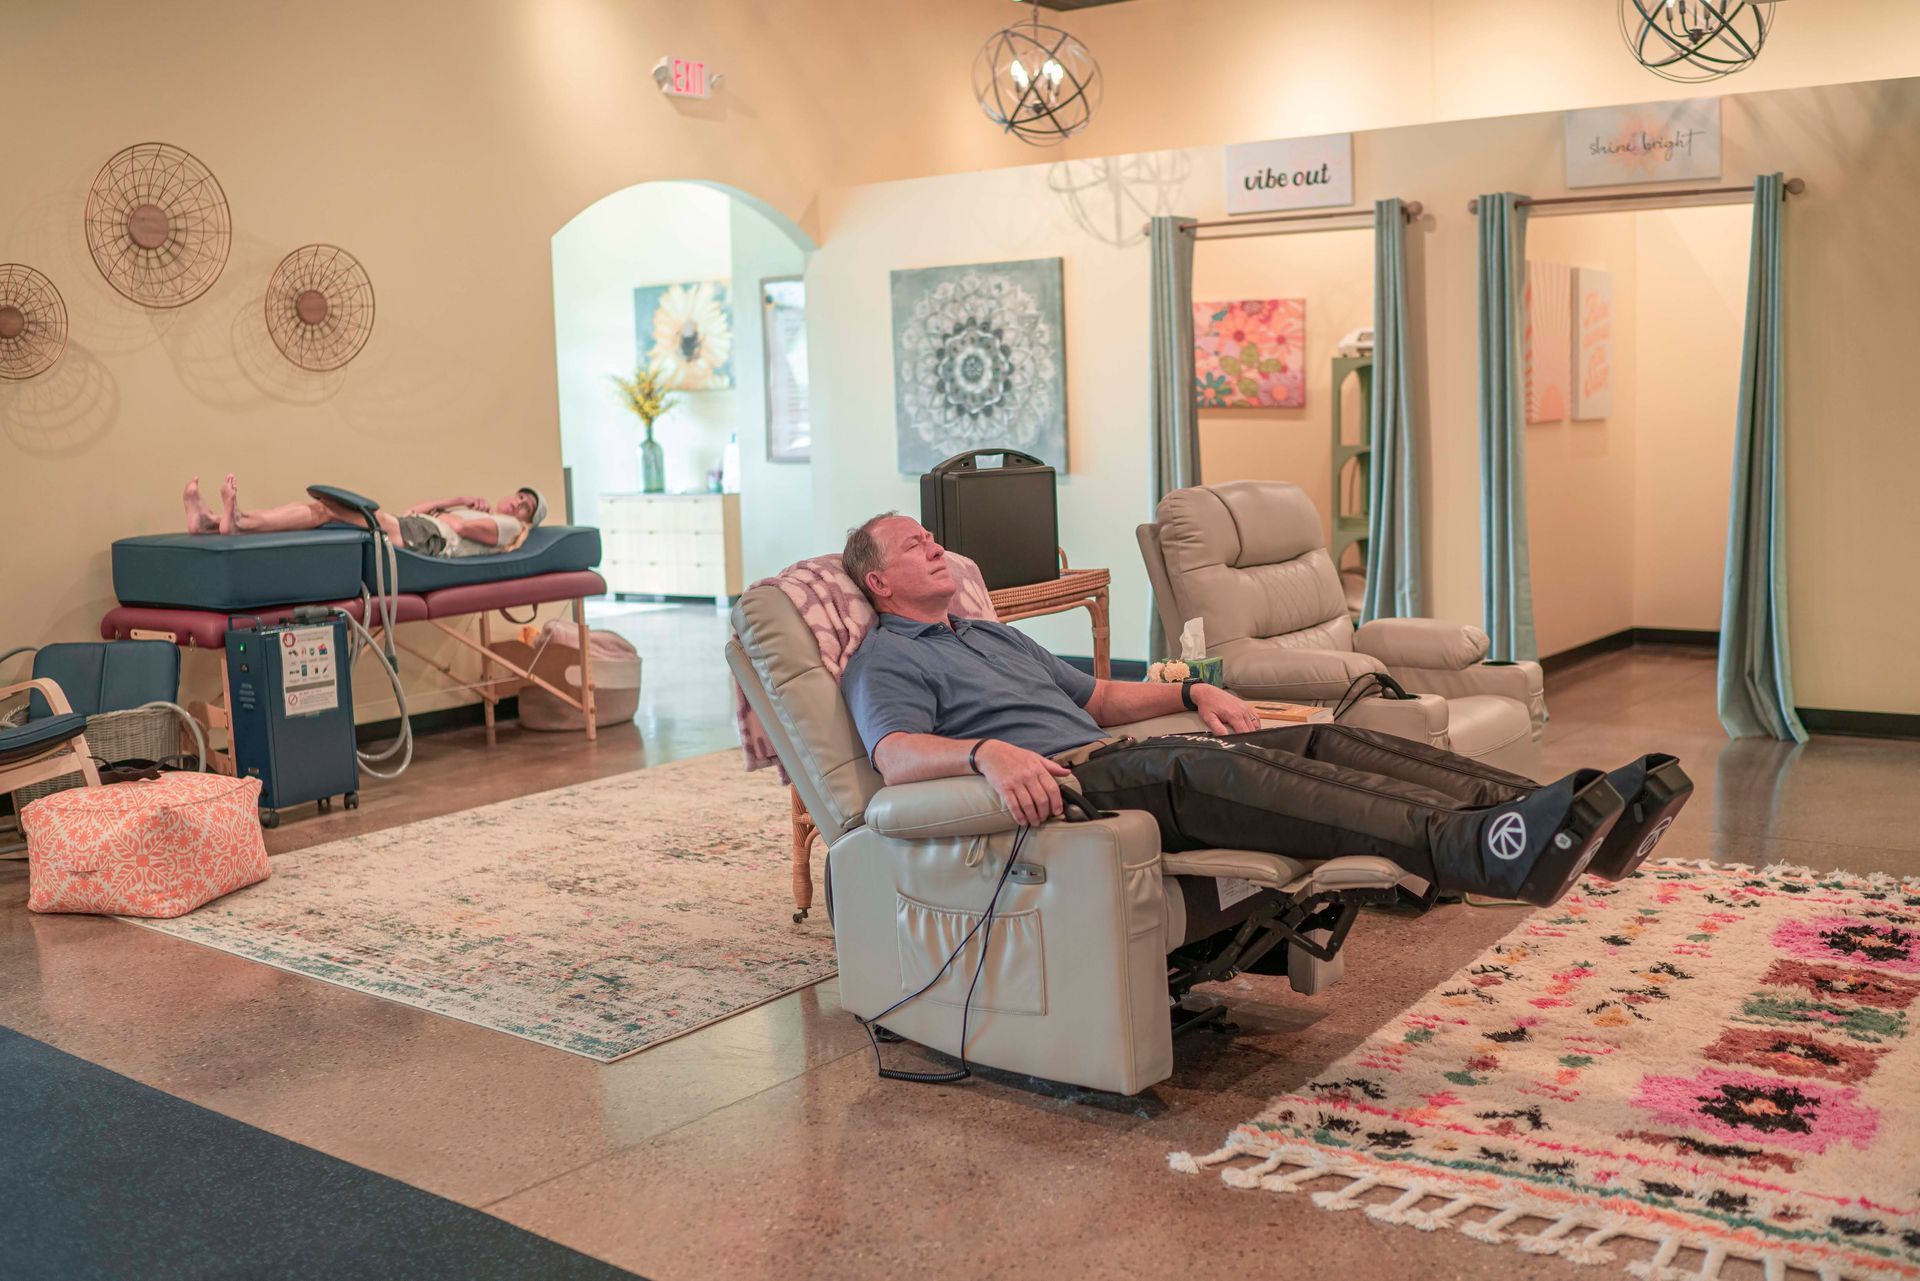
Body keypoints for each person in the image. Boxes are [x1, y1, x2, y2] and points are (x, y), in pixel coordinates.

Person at [837, 513, 1693, 908]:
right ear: (879, 581)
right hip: (1079, 784)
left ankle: (1546, 813)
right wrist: (986, 752)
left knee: (1317, 737)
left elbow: (1099, 697)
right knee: (1230, 767)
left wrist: (1192, 690)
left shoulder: (990, 634)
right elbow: (897, 754)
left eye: (934, 537)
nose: (937, 545)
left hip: (1121, 752)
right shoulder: (888, 657)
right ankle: (1476, 849)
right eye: (915, 544)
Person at [183, 475, 546, 557]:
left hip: (426, 540)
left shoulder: (512, 527)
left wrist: (450, 515)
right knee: (320, 511)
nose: (518, 503)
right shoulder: (484, 512)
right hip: (417, 529)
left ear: (527, 518)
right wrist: (457, 499)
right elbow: (413, 510)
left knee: (324, 510)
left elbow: (461, 528)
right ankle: (216, 523)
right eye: (519, 496)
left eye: (526, 506)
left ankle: (238, 522)